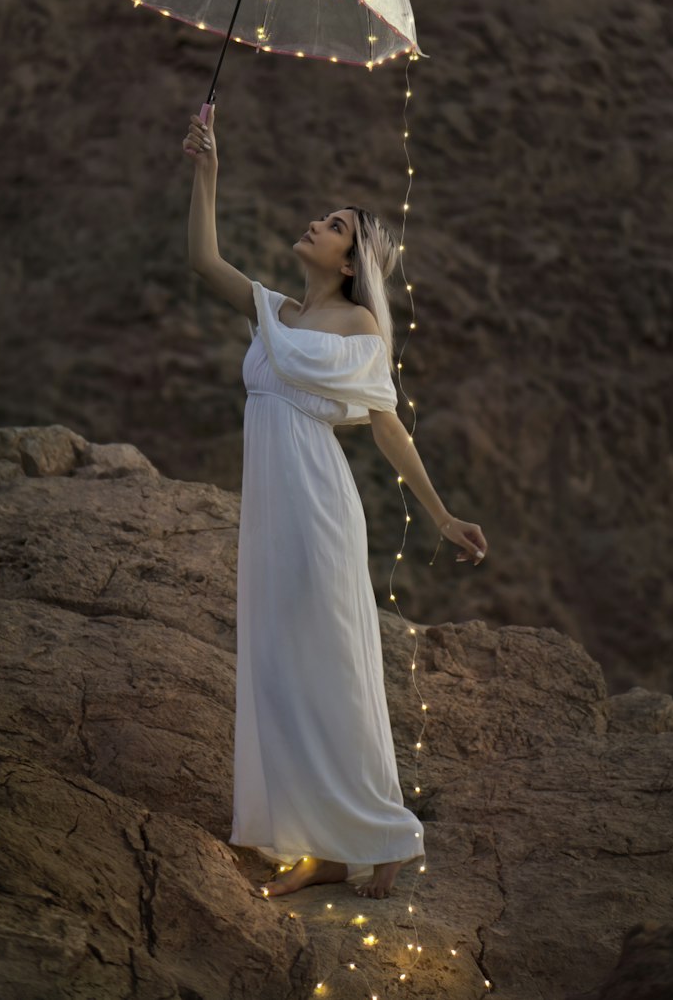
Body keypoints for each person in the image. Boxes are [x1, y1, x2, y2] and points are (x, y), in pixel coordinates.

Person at [183, 106, 488, 900]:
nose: (315, 226)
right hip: (272, 514)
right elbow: (202, 261)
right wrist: (206, 167)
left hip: (318, 510)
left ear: (351, 261)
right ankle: (318, 844)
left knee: (334, 670)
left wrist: (441, 513)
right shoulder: (276, 309)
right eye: (322, 219)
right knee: (281, 669)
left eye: (332, 226)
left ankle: (384, 834)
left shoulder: (357, 324)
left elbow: (387, 427)